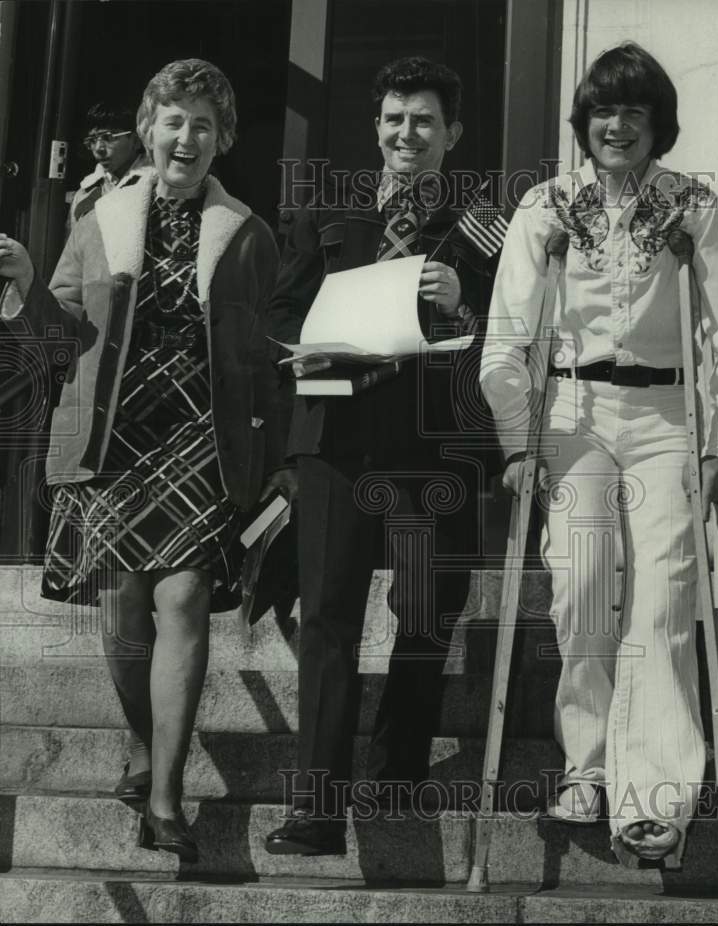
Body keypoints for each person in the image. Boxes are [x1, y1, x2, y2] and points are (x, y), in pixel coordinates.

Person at [480, 42, 718, 865]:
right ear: (584, 122)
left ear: (657, 123)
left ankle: (656, 800)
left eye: (635, 111)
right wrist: (514, 434)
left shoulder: (695, 207)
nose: (618, 125)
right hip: (573, 409)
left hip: (669, 413)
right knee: (581, 576)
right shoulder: (546, 205)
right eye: (604, 110)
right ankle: (588, 765)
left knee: (666, 589)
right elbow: (507, 333)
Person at [0, 58, 284, 863]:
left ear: (221, 140)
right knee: (125, 610)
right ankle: (139, 739)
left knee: (185, 597)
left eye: (202, 123)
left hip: (202, 438)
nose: (185, 136)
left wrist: (277, 464)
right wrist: (22, 288)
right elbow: (55, 344)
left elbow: (269, 357)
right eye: (172, 119)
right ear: (148, 130)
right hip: (112, 440)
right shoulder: (97, 221)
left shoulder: (250, 234)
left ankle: (165, 795)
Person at [263, 56, 497, 855]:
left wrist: (465, 299)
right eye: (396, 119)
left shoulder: (484, 226)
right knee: (328, 617)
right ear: (377, 128)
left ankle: (398, 772)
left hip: (437, 446)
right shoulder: (328, 214)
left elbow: (525, 331)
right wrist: (296, 352)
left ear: (452, 134)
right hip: (336, 438)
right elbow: (280, 311)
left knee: (427, 615)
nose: (408, 134)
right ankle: (317, 809)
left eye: (425, 121)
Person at [68, 100, 148, 229]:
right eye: (92, 140)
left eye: (108, 137)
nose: (99, 148)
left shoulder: (156, 187)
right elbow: (74, 246)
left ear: (135, 141)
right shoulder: (84, 194)